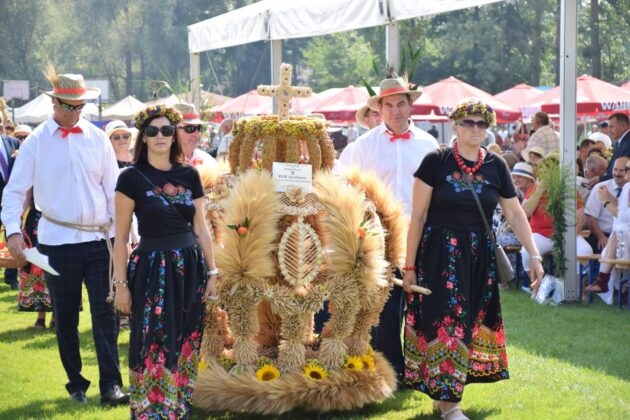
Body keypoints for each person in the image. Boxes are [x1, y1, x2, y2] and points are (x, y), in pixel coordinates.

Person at [402, 99, 544, 419]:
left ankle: (444, 395)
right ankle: (451, 406)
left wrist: (533, 254)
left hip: (479, 258)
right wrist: (409, 266)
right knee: (446, 323)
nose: (476, 129)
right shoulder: (435, 161)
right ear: (455, 125)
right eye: (469, 122)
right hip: (439, 255)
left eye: (482, 123)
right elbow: (418, 216)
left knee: (465, 326)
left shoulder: (496, 165)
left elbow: (515, 213)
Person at [1, 69, 127, 405]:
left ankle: (111, 385)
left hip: (99, 241)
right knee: (66, 315)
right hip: (56, 242)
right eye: (69, 106)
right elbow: (15, 192)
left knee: (106, 312)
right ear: (54, 102)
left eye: (80, 106)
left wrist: (126, 235)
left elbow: (113, 188)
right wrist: (13, 230)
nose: (75, 112)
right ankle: (75, 383)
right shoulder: (37, 142)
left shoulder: (97, 138)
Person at [113, 105, 218, 418]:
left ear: (175, 135)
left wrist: (212, 271)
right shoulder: (130, 178)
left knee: (186, 339)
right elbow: (120, 238)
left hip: (189, 268)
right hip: (150, 268)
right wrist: (120, 286)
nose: (160, 136)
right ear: (143, 137)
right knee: (151, 340)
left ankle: (179, 409)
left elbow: (201, 227)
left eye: (167, 130)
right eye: (152, 130)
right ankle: (150, 411)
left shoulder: (190, 175)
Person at [345, 76, 438, 381]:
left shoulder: (429, 145)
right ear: (379, 109)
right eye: (389, 105)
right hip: (379, 239)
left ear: (411, 106)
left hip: (421, 236)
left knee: (424, 307)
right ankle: (391, 372)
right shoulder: (363, 146)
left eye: (401, 104)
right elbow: (343, 186)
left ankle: (425, 369)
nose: (396, 110)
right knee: (384, 309)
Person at [585, 157, 628, 251]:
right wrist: (601, 237)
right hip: (602, 235)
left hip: (625, 237)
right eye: (615, 169)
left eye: (622, 170)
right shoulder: (600, 187)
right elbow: (590, 217)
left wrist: (606, 200)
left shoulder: (627, 189)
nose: (617, 174)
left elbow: (621, 212)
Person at [0, 112, 20, 290]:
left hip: (11, 202)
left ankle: (12, 276)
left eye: (0, 121)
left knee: (12, 236)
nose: (0, 125)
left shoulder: (12, 143)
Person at [172, 102, 218, 171]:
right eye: (190, 128)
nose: (197, 134)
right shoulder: (163, 163)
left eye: (199, 128)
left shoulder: (208, 161)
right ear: (174, 130)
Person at [598, 113, 630, 183]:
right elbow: (606, 157)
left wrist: (600, 179)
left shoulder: (627, 143)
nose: (609, 131)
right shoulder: (618, 142)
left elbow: (623, 171)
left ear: (623, 126)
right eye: (608, 127)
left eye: (611, 127)